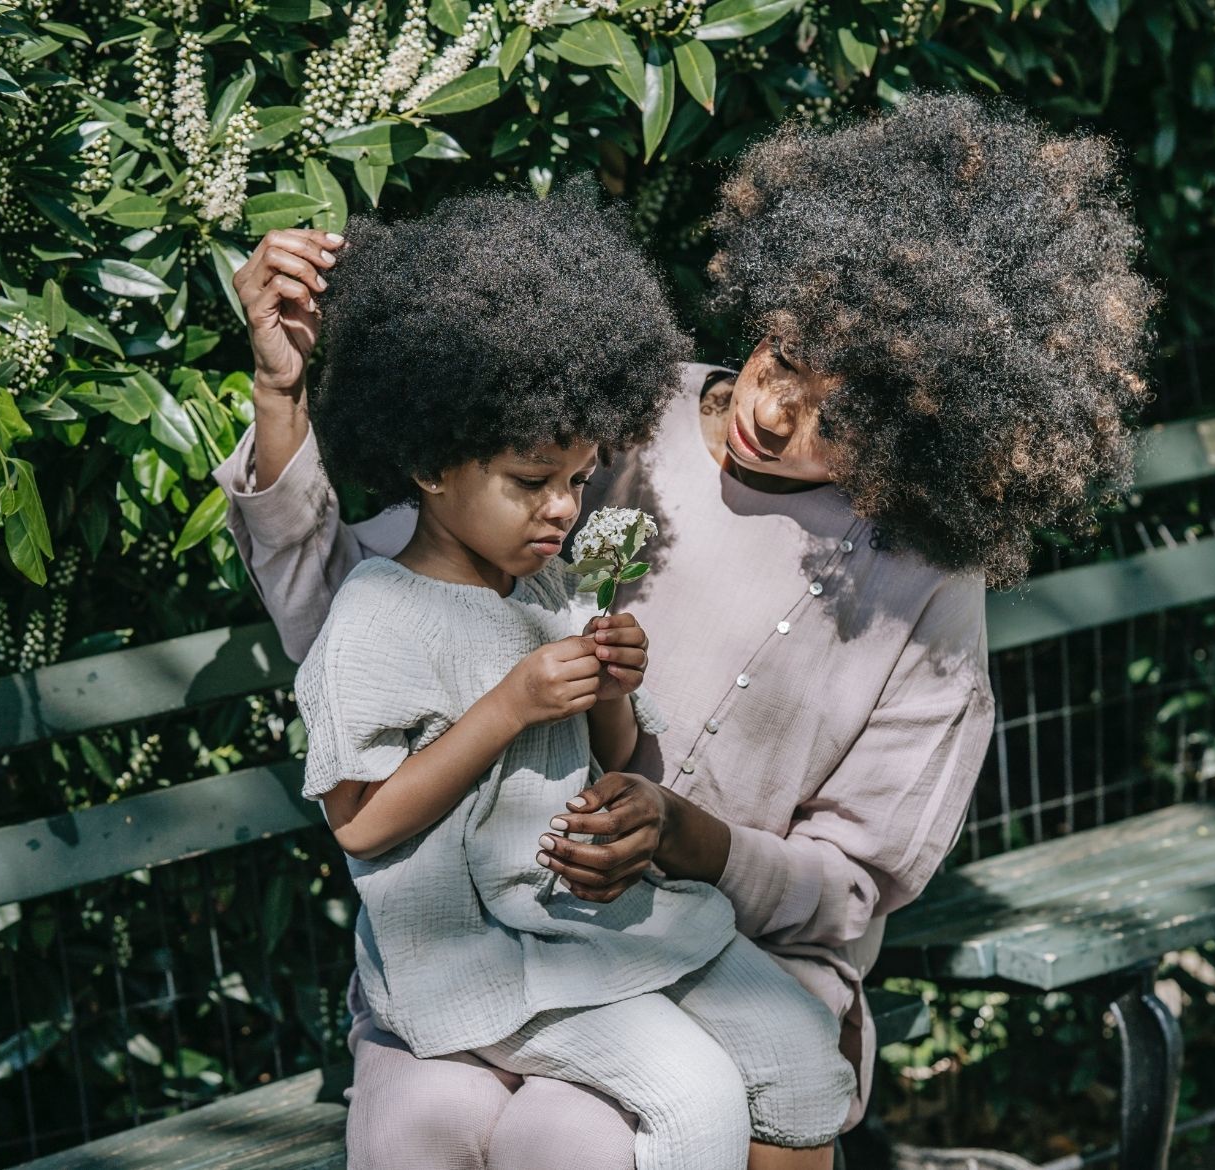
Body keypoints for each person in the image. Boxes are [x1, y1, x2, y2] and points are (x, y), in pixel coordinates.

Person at [216, 93, 1157, 1170]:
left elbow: (853, 884)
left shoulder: (924, 583)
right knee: (449, 1126)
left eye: (840, 421)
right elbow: (362, 613)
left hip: (742, 961)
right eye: (792, 350)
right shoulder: (601, 413)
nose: (776, 408)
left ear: (926, 434)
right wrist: (281, 397)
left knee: (585, 1133)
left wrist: (688, 839)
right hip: (499, 945)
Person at [293, 184, 857, 1170]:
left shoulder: (547, 582)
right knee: (693, 1096)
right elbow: (360, 822)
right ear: (431, 461)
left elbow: (615, 756)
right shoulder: (379, 615)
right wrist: (507, 706)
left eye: (579, 479)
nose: (561, 508)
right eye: (531, 481)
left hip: (581, 925)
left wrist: (611, 689)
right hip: (466, 961)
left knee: (807, 1062)